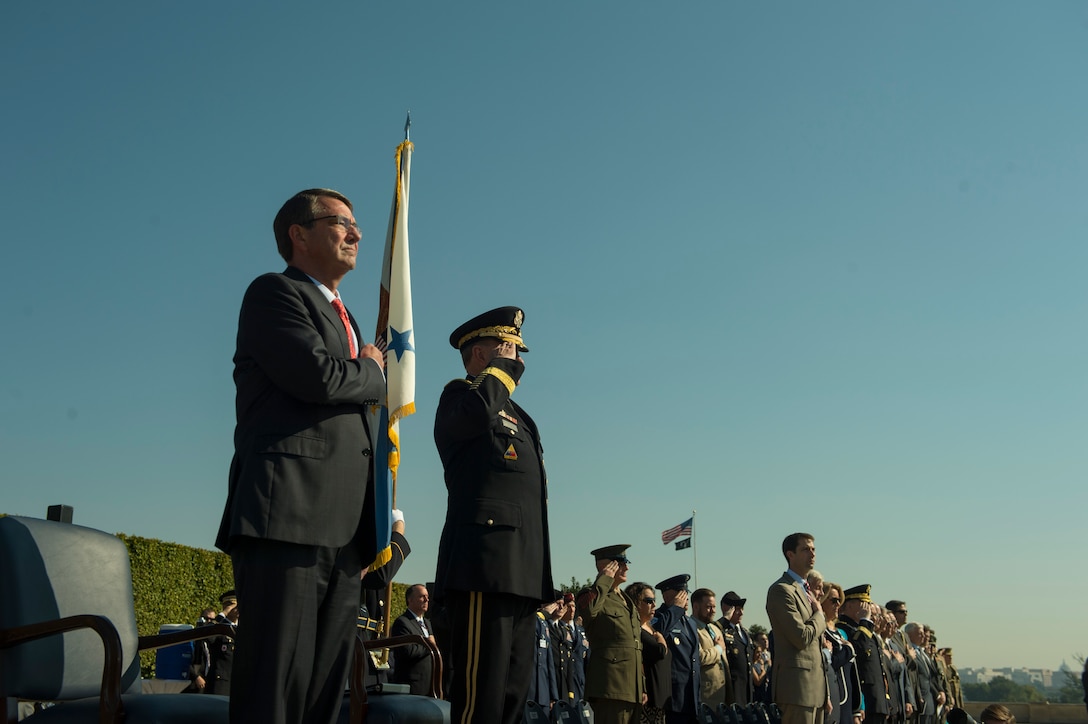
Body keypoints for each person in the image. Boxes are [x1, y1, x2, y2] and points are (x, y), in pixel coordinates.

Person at [215, 188, 387, 724]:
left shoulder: (350, 318)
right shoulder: (275, 293)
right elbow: (318, 376)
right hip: (286, 518)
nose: (356, 234)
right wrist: (374, 371)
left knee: (320, 696)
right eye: (342, 223)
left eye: (357, 225)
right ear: (299, 234)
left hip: (343, 531)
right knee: (275, 688)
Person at [432, 306, 554, 724]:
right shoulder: (458, 397)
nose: (518, 360)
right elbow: (472, 418)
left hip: (521, 571)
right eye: (509, 349)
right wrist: (500, 373)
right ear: (481, 353)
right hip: (483, 567)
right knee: (480, 699)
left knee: (511, 699)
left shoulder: (521, 418)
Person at [765, 533, 829, 724]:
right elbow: (800, 637)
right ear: (790, 555)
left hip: (816, 690)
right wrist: (819, 616)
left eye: (813, 549)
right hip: (796, 690)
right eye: (805, 549)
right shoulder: (781, 590)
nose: (812, 554)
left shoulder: (806, 590)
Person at [577, 544, 643, 724]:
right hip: (610, 687)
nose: (627, 567)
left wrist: (641, 686)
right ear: (606, 565)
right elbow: (589, 611)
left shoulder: (626, 599)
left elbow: (635, 645)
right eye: (621, 562)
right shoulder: (590, 594)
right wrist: (603, 580)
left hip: (633, 688)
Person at [653, 574, 701, 724]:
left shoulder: (690, 623)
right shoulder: (659, 617)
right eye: (682, 594)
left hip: (692, 697)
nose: (686, 598)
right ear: (667, 595)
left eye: (686, 594)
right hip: (673, 698)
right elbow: (657, 633)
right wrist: (675, 609)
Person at [837, 585, 888, 724]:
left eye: (868, 603)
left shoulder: (862, 628)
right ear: (848, 605)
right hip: (863, 699)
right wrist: (865, 623)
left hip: (875, 700)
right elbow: (859, 652)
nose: (867, 607)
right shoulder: (843, 628)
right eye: (862, 602)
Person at [625, 581, 671, 724]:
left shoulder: (650, 629)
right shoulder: (637, 630)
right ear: (635, 603)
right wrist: (661, 639)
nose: (653, 605)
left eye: (654, 601)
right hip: (647, 700)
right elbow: (659, 651)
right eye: (648, 601)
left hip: (660, 701)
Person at [390, 583, 436, 695]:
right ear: (409, 600)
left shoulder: (428, 623)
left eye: (427, 597)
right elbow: (407, 651)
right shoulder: (402, 623)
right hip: (412, 686)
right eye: (421, 596)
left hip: (429, 685)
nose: (426, 600)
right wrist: (429, 644)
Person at [691, 587, 733, 709]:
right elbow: (698, 658)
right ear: (696, 607)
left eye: (714, 607)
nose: (713, 611)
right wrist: (718, 649)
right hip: (705, 698)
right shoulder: (691, 629)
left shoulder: (715, 629)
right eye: (708, 607)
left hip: (723, 698)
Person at [553, 592, 589, 703]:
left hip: (581, 684)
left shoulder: (582, 631)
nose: (572, 610)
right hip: (563, 685)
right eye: (568, 606)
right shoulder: (556, 630)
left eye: (573, 606)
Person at [719, 591, 754, 706]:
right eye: (737, 609)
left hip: (747, 693)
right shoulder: (722, 630)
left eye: (742, 609)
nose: (741, 613)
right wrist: (725, 617)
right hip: (732, 693)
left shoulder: (744, 633)